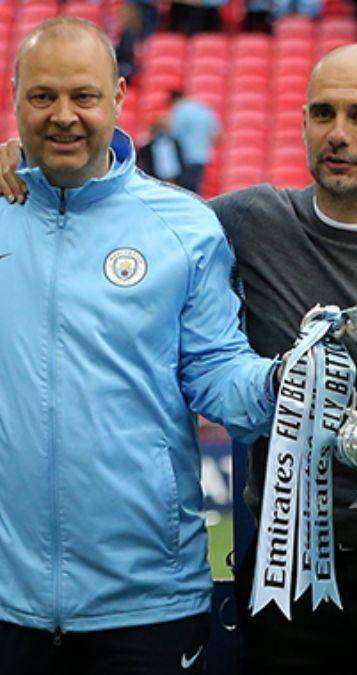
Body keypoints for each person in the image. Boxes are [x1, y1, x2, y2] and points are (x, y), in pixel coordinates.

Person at [0, 41, 357, 675]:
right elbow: (111, 221)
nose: (338, 134)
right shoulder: (243, 221)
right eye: (323, 113)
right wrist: (21, 162)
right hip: (284, 580)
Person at [0, 17, 280, 673]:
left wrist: (286, 385)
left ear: (120, 96)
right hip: (8, 602)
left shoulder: (183, 227)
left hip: (148, 604)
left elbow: (217, 374)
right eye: (42, 96)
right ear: (14, 100)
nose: (63, 115)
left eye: (83, 96)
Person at [168, 89, 220, 193]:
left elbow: (174, 133)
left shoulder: (180, 110)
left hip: (185, 156)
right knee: (195, 186)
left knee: (185, 189)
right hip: (202, 155)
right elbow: (216, 135)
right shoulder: (204, 109)